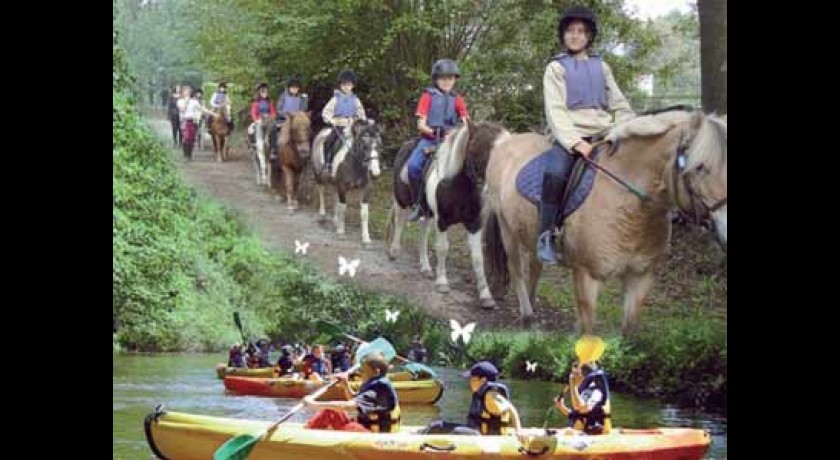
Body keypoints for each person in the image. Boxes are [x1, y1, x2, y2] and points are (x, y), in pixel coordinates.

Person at [536, 5, 636, 264]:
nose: (575, 35)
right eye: (570, 31)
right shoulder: (556, 69)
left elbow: (620, 104)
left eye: (581, 31)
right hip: (570, 137)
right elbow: (555, 111)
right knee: (555, 174)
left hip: (604, 134)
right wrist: (575, 142)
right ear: (563, 35)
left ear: (589, 36)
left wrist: (623, 129)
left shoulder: (602, 67)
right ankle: (546, 234)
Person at [406, 58, 469, 221]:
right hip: (430, 140)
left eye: (450, 78)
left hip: (451, 142)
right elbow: (420, 124)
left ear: (455, 79)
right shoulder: (427, 96)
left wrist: (458, 134)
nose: (447, 81)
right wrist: (434, 132)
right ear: (436, 79)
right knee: (413, 166)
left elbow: (466, 122)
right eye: (443, 78)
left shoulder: (458, 99)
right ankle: (418, 205)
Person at [418, 361, 525, 440]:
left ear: (483, 380)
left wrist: (518, 430)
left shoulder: (491, 395)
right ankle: (416, 437)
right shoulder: (483, 392)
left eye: (472, 379)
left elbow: (511, 409)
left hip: (485, 438)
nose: (470, 382)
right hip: (476, 431)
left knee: (448, 429)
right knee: (437, 425)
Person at [302, 351, 401, 433]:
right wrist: (346, 385)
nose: (360, 373)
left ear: (376, 371)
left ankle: (305, 435)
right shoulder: (377, 384)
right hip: (370, 430)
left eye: (363, 370)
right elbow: (355, 401)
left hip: (374, 437)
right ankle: (308, 431)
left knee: (332, 411)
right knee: (332, 412)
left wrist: (313, 404)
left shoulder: (378, 387)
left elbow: (348, 406)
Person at [321, 69, 367, 173]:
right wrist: (331, 120)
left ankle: (367, 164)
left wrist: (362, 120)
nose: (346, 87)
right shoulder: (335, 99)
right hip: (339, 124)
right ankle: (328, 163)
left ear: (353, 86)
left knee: (366, 141)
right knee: (329, 141)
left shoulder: (355, 99)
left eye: (349, 85)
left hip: (353, 126)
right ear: (340, 86)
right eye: (344, 85)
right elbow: (326, 112)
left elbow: (361, 113)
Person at [554, 361, 612, 434]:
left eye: (576, 375)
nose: (574, 376)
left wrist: (573, 385)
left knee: (571, 429)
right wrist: (562, 407)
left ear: (582, 376)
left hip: (594, 433)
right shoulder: (584, 391)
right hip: (579, 431)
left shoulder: (597, 392)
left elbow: (581, 408)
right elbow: (577, 413)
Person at [268, 75, 308, 161]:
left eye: (296, 88)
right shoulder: (283, 96)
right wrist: (285, 115)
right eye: (292, 88)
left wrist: (305, 101)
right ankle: (273, 150)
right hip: (284, 119)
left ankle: (307, 150)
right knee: (273, 129)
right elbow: (279, 109)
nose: (294, 89)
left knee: (306, 130)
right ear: (289, 88)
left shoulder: (302, 98)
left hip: (296, 121)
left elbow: (303, 110)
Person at [176, 85, 213, 161]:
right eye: (186, 91)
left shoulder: (194, 101)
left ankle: (189, 155)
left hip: (193, 121)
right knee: (186, 138)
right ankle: (185, 155)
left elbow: (202, 109)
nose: (187, 93)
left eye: (189, 92)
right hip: (185, 121)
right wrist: (186, 101)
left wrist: (212, 113)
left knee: (191, 139)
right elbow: (182, 109)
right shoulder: (180, 101)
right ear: (183, 93)